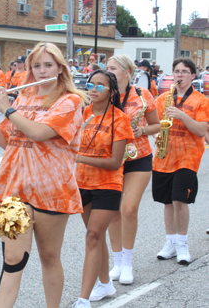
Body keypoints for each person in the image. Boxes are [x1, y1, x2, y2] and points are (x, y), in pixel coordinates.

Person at [0, 42, 87, 308]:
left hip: (52, 188)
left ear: (60, 68)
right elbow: (9, 141)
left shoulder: (70, 101)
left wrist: (8, 109)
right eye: (36, 66)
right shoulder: (24, 96)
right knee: (12, 259)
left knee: (49, 257)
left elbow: (38, 133)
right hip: (15, 187)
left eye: (48, 65)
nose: (42, 70)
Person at [72, 70, 134, 307]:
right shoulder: (82, 114)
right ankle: (106, 284)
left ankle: (83, 299)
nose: (94, 89)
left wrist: (79, 158)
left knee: (93, 235)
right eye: (91, 84)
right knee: (94, 237)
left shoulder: (120, 119)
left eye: (100, 86)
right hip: (81, 184)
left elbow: (115, 162)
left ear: (112, 92)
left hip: (108, 184)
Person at [105, 55, 160, 285]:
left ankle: (127, 262)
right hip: (111, 159)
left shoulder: (143, 94)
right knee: (112, 214)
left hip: (138, 157)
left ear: (127, 72)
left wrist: (142, 131)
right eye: (106, 68)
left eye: (112, 68)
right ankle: (117, 262)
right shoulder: (103, 93)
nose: (107, 71)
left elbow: (156, 124)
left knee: (128, 209)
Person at [152, 57, 209, 265]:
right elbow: (156, 126)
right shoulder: (162, 99)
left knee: (179, 199)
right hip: (164, 155)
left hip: (188, 156)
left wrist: (181, 115)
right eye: (177, 71)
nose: (180, 75)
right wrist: (156, 136)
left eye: (185, 71)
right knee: (167, 201)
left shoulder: (201, 101)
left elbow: (201, 130)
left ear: (193, 76)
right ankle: (171, 242)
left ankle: (183, 244)